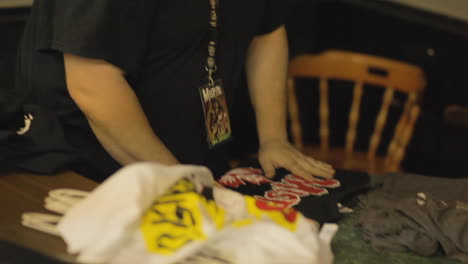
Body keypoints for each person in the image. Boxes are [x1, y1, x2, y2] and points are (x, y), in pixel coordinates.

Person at [15, 0, 335, 182]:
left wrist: (273, 137)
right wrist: (179, 178)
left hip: (193, 165)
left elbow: (267, 32)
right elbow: (92, 84)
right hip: (84, 176)